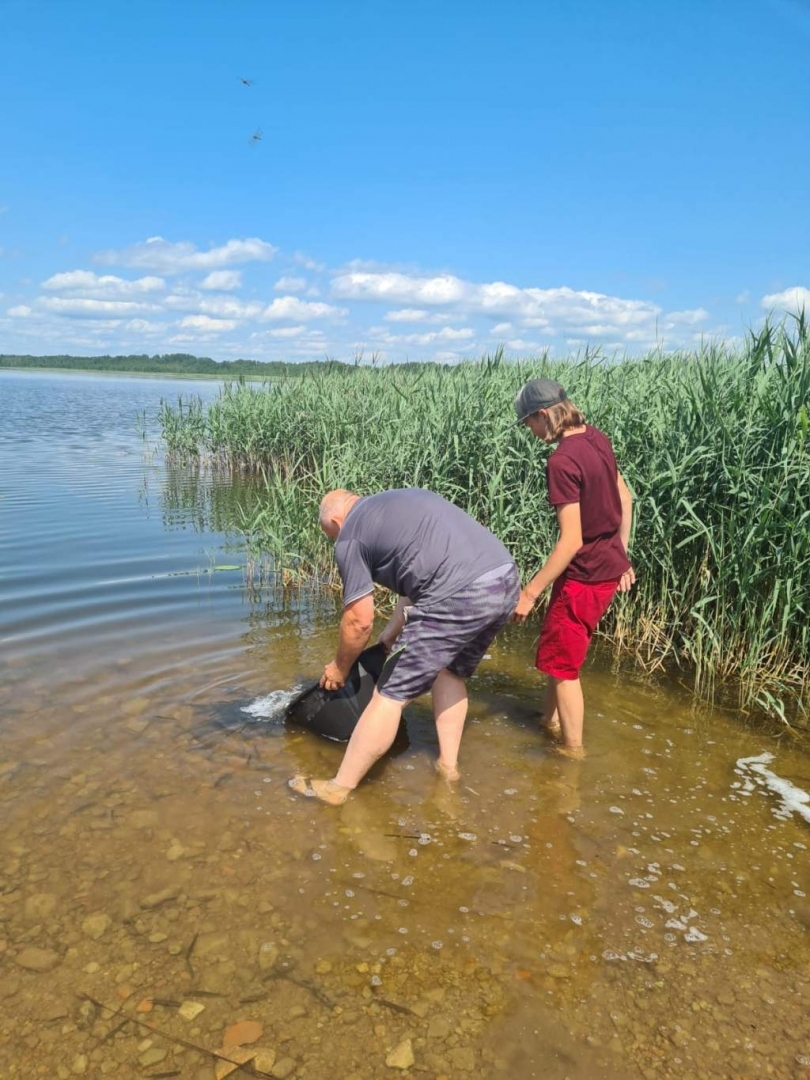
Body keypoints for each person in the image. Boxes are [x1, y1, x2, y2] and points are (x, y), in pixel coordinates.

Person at [288, 487, 520, 805]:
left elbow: (359, 621)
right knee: (450, 674)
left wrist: (340, 668)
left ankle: (338, 788)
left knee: (390, 695)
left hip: (458, 593)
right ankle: (448, 768)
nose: (334, 543)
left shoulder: (350, 536)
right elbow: (415, 578)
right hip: (503, 580)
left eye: (330, 535)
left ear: (335, 520)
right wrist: (391, 634)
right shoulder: (398, 503)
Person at [511, 379, 635, 755]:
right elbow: (625, 498)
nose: (530, 432)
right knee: (559, 652)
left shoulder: (562, 460)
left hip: (584, 576)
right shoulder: (597, 438)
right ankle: (547, 719)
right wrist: (621, 556)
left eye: (528, 423)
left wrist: (529, 593)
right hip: (606, 568)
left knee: (565, 669)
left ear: (544, 414)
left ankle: (572, 753)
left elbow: (571, 541)